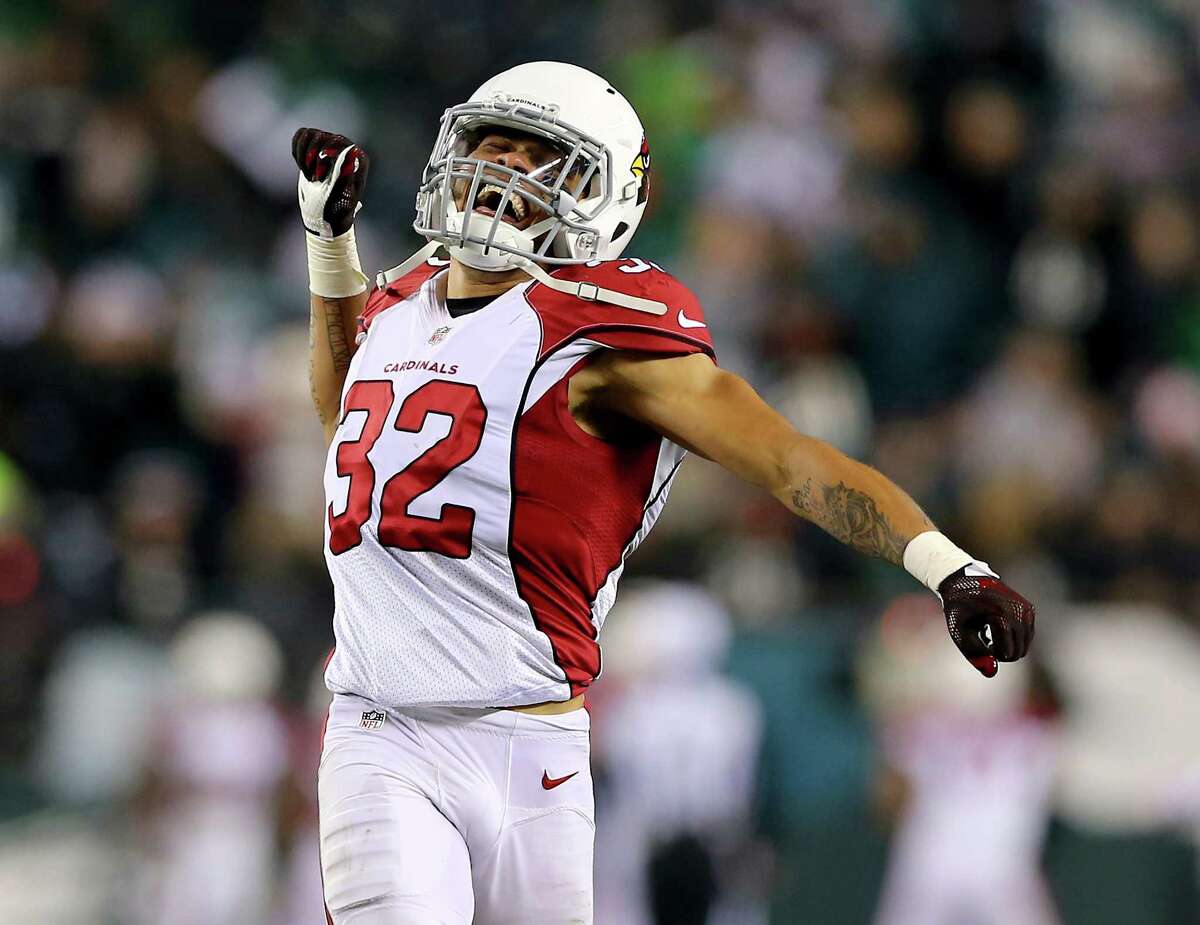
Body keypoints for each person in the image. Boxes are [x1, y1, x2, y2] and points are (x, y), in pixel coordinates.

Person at [296, 61, 1036, 925]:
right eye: (488, 144)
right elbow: (346, 406)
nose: (497, 169)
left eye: (535, 157)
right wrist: (331, 248)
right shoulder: (395, 294)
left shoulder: (603, 325)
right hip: (381, 730)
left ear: (603, 195)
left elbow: (788, 460)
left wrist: (947, 566)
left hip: (538, 740)